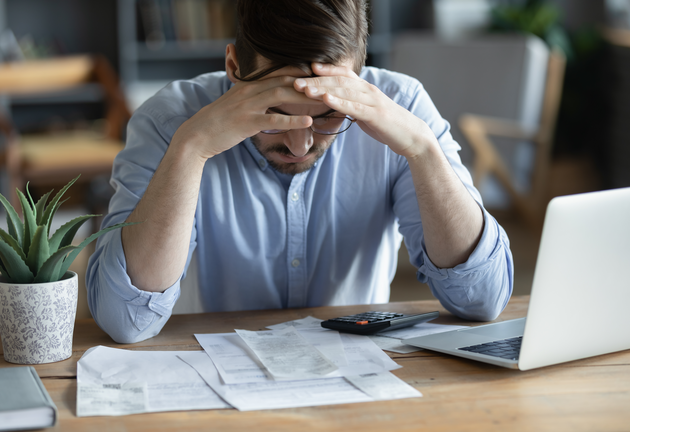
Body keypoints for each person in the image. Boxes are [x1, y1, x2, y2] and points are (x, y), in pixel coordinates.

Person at [86, 0, 514, 344]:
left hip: (359, 381)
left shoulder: (403, 107)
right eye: (273, 113)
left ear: (359, 74)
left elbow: (482, 299)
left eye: (329, 115)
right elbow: (126, 320)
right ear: (234, 69)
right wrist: (192, 149)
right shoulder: (169, 121)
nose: (299, 145)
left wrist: (423, 150)